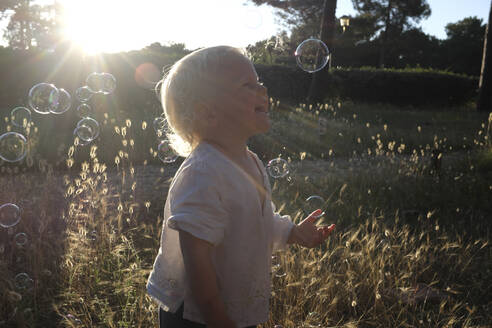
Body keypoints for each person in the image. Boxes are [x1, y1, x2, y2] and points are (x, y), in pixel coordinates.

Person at [146, 45, 336, 328]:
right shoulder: (203, 172)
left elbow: (257, 218)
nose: (262, 89)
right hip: (197, 312)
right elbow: (196, 258)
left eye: (259, 81)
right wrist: (216, 315)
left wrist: (292, 232)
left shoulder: (252, 162)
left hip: (229, 305)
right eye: (248, 85)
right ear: (207, 113)